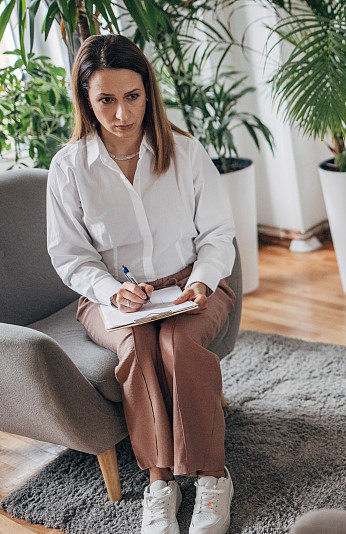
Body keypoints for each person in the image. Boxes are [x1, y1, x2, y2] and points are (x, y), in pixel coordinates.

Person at [46, 34, 235, 534]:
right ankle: (159, 482)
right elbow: (69, 256)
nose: (121, 113)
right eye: (105, 99)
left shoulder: (186, 153)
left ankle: (213, 477)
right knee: (136, 349)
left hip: (193, 284)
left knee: (177, 344)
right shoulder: (69, 169)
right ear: (86, 100)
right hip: (110, 297)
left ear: (148, 93)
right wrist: (111, 291)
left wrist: (201, 280)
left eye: (131, 96)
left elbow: (218, 234)